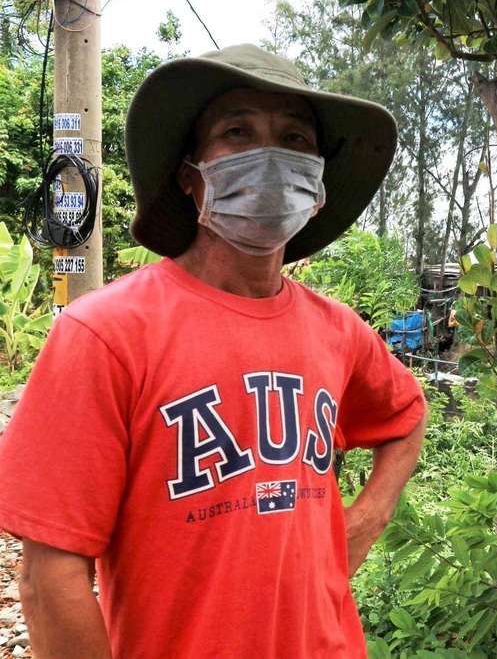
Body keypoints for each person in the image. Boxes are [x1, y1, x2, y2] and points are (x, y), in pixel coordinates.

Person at [0, 44, 426, 657]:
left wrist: (367, 519)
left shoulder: (338, 330)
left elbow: (406, 415)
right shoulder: (107, 334)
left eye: (294, 138)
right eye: (237, 132)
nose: (270, 156)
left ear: (317, 182)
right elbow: (49, 578)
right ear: (189, 176)